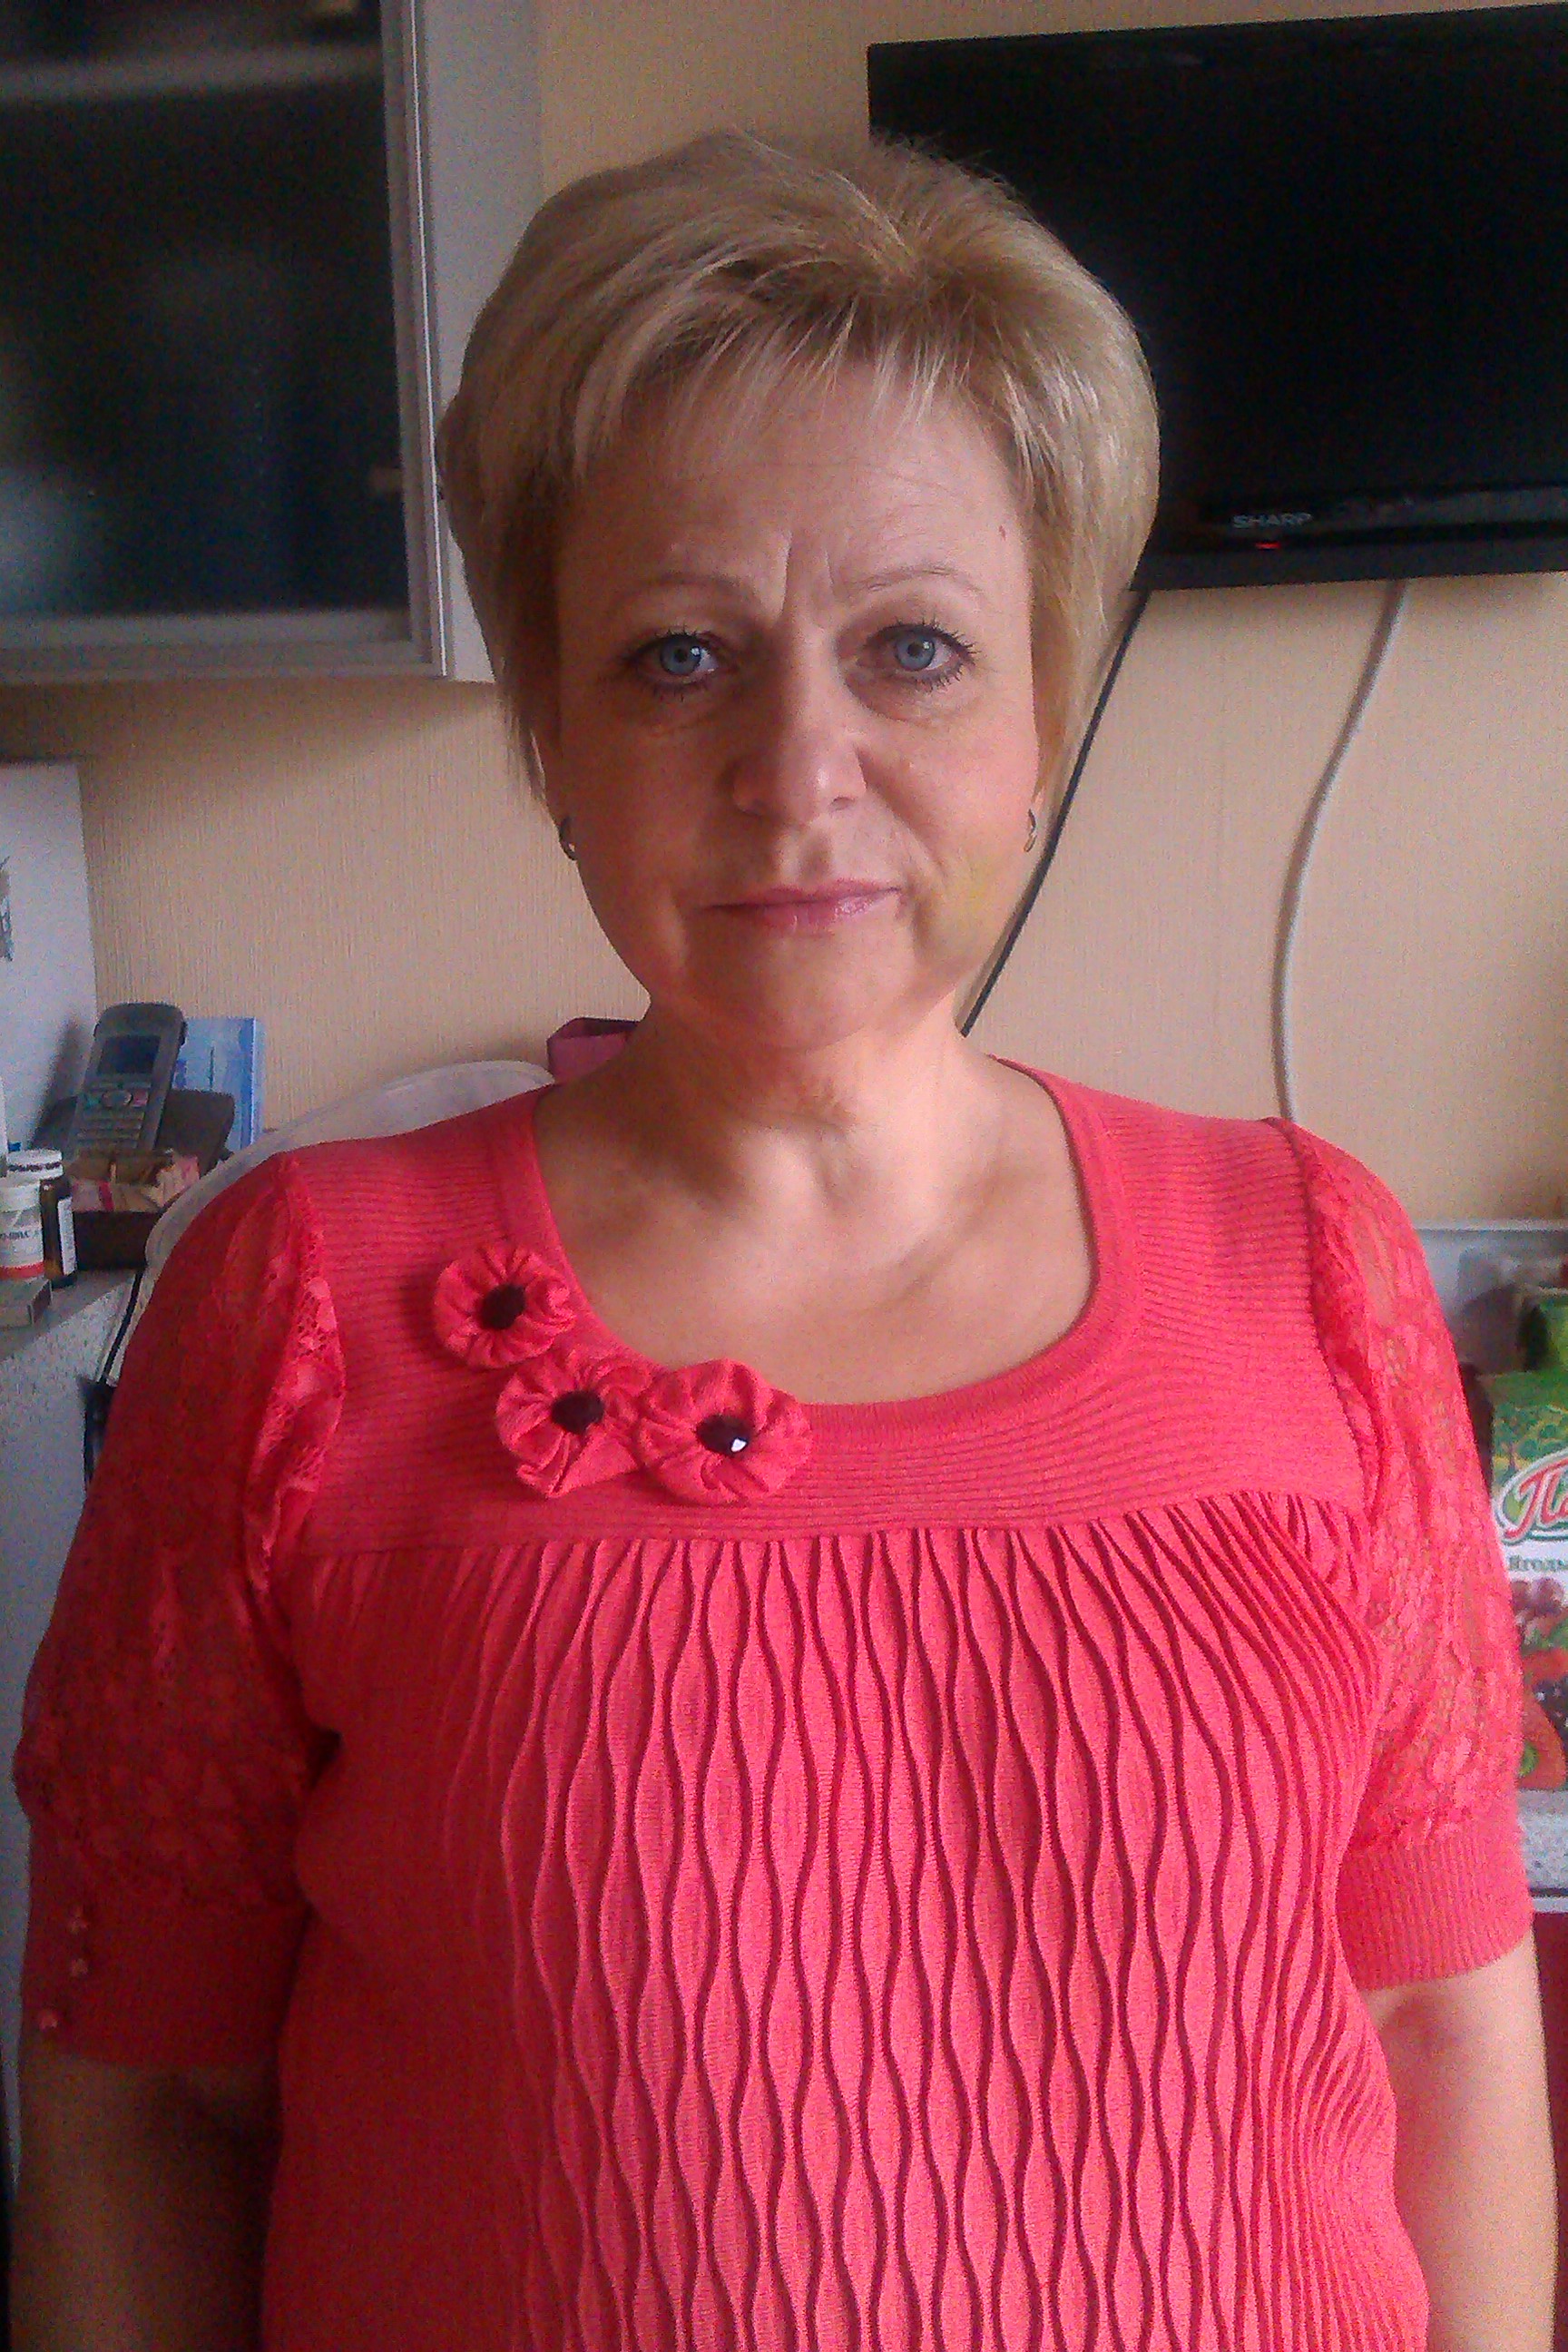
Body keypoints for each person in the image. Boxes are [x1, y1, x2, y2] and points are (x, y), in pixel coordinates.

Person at [11, 132, 1554, 2352]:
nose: (798, 763)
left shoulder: (1312, 1266)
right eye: (678, 657)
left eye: (915, 649)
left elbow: (1439, 2029)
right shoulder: (300, 1304)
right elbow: (148, 2111)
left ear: (1043, 718)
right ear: (551, 729)